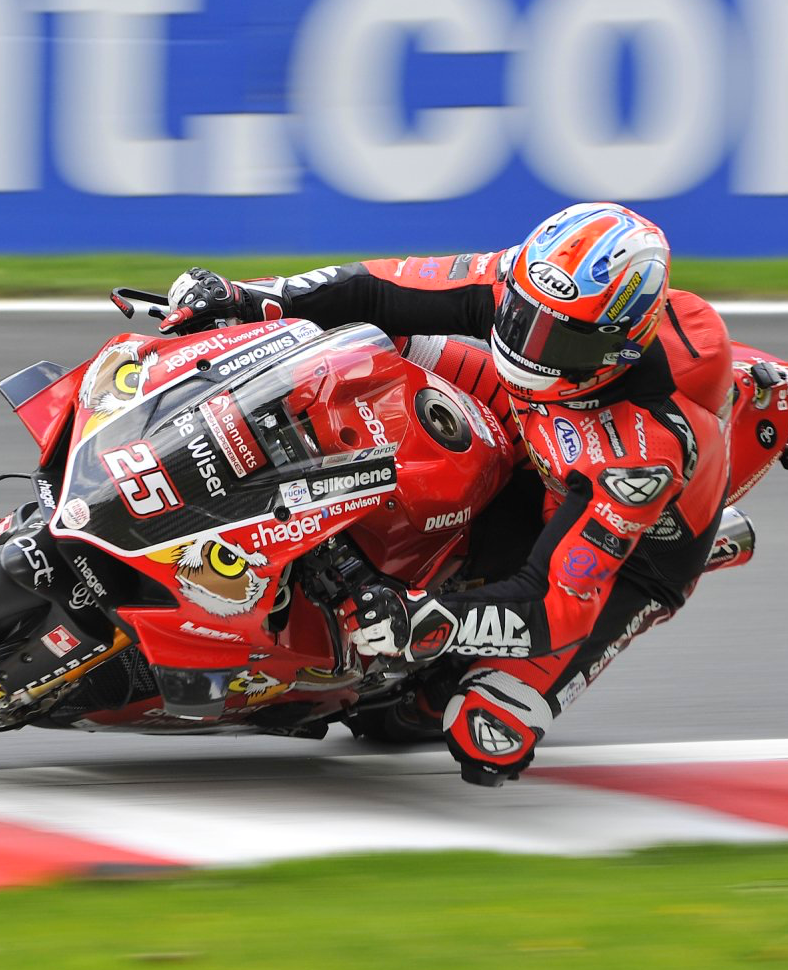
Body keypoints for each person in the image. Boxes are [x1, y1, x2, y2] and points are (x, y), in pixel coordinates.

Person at [163, 203, 734, 786]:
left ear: (617, 350)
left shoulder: (642, 451)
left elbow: (555, 607)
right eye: (521, 316)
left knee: (482, 731)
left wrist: (424, 619)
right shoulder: (524, 282)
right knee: (360, 345)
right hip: (531, 417)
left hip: (625, 553)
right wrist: (250, 297)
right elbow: (380, 287)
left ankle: (422, 683)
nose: (526, 345)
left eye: (556, 338)